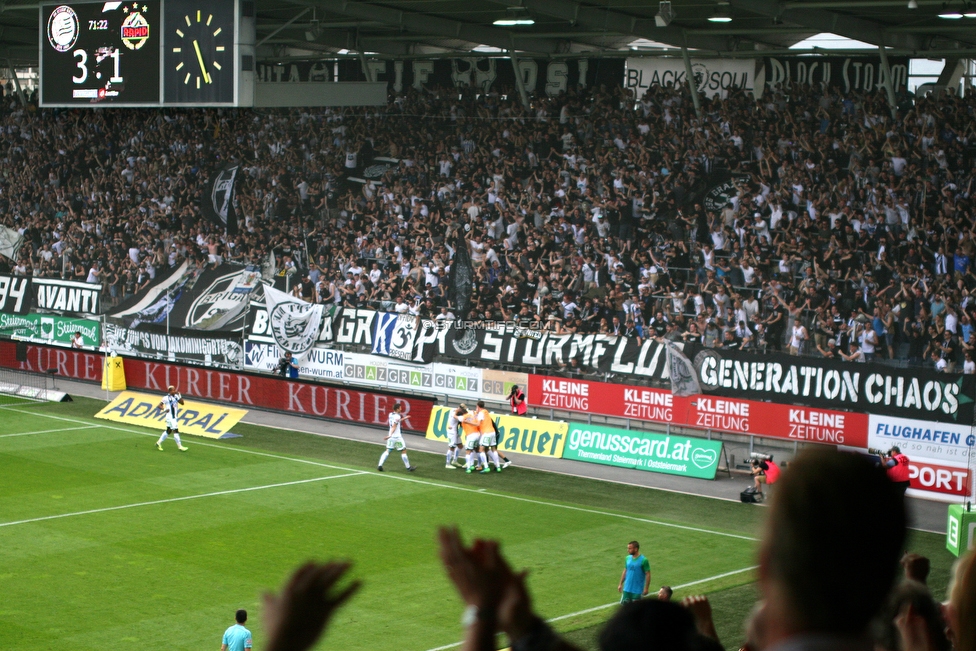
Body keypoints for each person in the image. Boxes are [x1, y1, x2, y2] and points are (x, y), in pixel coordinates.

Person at [377, 402, 415, 472]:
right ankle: (408, 467)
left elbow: (396, 422)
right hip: (397, 438)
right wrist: (390, 435)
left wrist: (404, 418)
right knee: (403, 451)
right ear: (397, 409)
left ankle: (380, 465)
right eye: (400, 408)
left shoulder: (390, 414)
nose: (401, 409)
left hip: (391, 438)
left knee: (388, 451)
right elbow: (394, 426)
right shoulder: (397, 416)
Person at [155, 385, 188, 451]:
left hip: (174, 416)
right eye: (173, 390)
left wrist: (179, 396)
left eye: (174, 389)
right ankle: (180, 446)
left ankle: (158, 443)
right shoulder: (166, 398)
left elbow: (182, 403)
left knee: (168, 430)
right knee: (175, 431)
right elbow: (159, 405)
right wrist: (164, 409)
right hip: (170, 417)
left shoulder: (176, 396)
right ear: (170, 391)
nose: (174, 391)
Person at [475, 400, 502, 473]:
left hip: (486, 433)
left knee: (481, 449)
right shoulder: (486, 411)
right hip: (492, 432)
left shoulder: (481, 413)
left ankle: (486, 467)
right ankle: (498, 466)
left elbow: (477, 424)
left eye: (476, 407)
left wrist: (469, 421)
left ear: (478, 406)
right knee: (493, 449)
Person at [445, 404, 467, 469]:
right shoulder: (456, 413)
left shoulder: (453, 410)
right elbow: (460, 419)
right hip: (452, 432)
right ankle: (447, 463)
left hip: (455, 431)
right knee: (451, 447)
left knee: (460, 446)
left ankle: (454, 460)